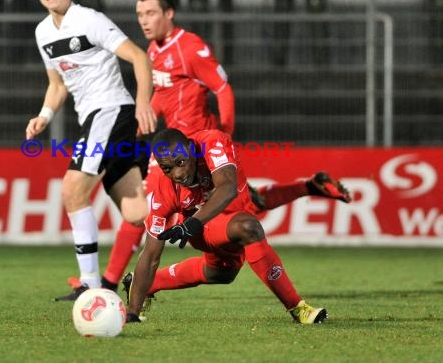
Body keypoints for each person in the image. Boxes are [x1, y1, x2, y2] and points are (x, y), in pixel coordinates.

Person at [81, 0, 349, 297]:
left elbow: (223, 89)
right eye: (139, 14)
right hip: (172, 151)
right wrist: (142, 123)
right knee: (230, 205)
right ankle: (308, 187)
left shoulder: (191, 47)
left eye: (151, 13)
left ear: (169, 14)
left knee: (180, 209)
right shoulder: (154, 50)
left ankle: (111, 283)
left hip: (196, 151)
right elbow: (164, 97)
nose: (144, 20)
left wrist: (227, 137)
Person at [25, 0, 157, 300]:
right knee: (137, 212)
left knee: (72, 190)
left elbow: (140, 57)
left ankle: (90, 284)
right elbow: (57, 83)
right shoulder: (43, 32)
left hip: (111, 111)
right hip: (97, 119)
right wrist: (44, 114)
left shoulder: (89, 20)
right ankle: (187, 213)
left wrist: (143, 103)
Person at [123, 128, 328, 325]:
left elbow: (228, 188)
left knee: (221, 274)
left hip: (205, 222)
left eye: (180, 162)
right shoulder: (163, 190)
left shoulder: (212, 143)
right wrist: (132, 314)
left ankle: (151, 283)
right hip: (205, 229)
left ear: (191, 150)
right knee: (249, 228)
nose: (177, 173)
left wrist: (190, 224)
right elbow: (150, 255)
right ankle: (299, 309)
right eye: (167, 168)